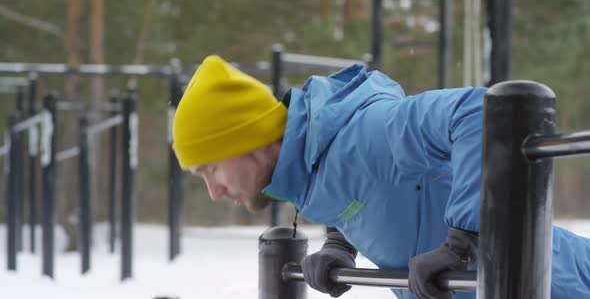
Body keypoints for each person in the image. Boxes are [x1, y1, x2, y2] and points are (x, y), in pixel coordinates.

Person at [172, 55, 590, 299]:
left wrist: (464, 241)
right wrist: (340, 242)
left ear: (251, 140)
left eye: (210, 168)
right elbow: (366, 187)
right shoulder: (315, 166)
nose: (213, 191)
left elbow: (480, 113)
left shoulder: (371, 132)